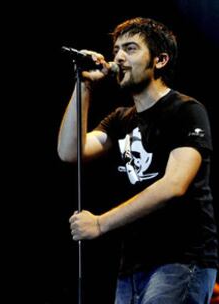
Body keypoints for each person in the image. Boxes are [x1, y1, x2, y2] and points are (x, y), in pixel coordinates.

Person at [57, 17, 218, 303]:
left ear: (160, 60)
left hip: (181, 260)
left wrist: (100, 224)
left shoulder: (187, 111)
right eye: (116, 49)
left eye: (130, 49)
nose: (118, 56)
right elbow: (70, 151)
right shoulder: (121, 119)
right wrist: (84, 86)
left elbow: (173, 185)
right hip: (132, 265)